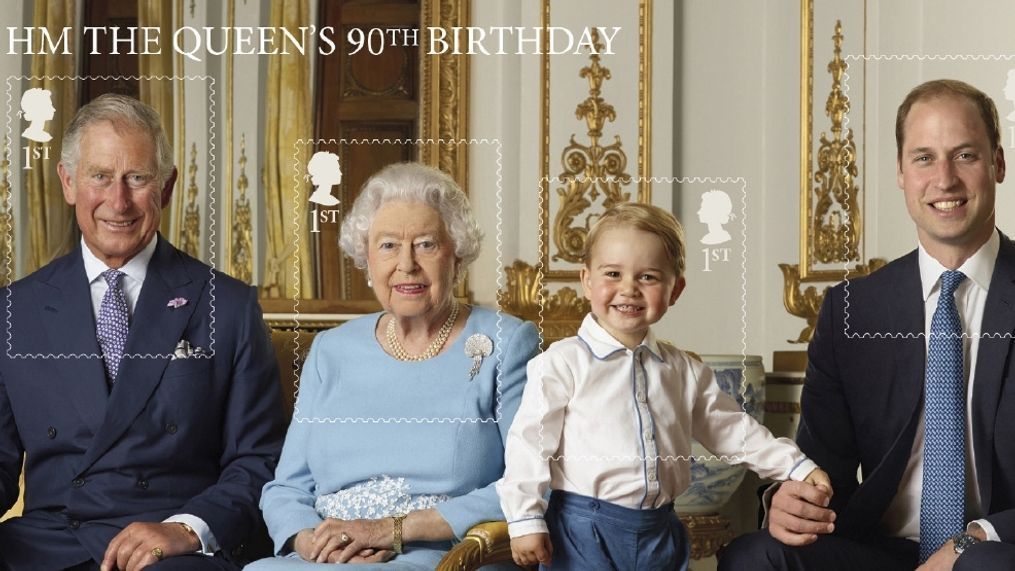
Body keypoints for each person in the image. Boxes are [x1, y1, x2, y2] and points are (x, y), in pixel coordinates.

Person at [720, 80, 1015, 570]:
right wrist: (787, 502)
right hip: (880, 549)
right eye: (923, 158)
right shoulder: (851, 309)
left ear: (998, 164)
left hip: (995, 548)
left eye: (965, 155)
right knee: (757, 556)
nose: (944, 179)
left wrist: (973, 541)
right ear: (901, 172)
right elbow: (820, 467)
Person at [0, 93, 285, 570]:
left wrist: (187, 529)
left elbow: (259, 460)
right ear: (68, 182)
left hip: (170, 546)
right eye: (100, 177)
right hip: (49, 544)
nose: (118, 201)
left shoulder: (228, 306)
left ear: (167, 187)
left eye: (137, 178)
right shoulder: (15, 310)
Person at [497, 202, 831, 570]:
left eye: (648, 277)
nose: (629, 289)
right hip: (582, 531)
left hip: (659, 530)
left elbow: (733, 431)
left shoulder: (682, 369)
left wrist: (794, 466)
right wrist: (525, 518)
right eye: (613, 273)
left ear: (675, 290)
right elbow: (529, 444)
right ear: (587, 280)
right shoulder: (561, 363)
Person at [247, 162, 540, 569]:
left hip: (444, 555)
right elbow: (286, 488)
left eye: (425, 244)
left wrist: (395, 529)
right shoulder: (331, 350)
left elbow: (528, 482)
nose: (406, 264)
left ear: (456, 255)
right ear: (366, 260)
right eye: (388, 245)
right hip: (328, 557)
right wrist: (315, 544)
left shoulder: (506, 344)